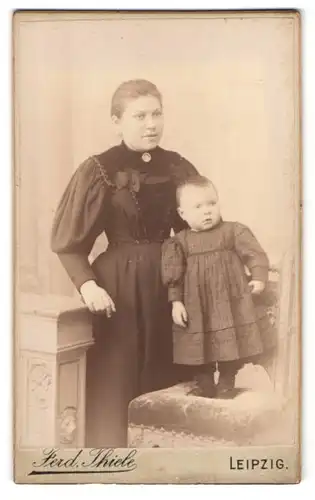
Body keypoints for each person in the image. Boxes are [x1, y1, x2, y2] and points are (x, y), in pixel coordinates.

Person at [51, 79, 199, 446]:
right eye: (140, 116)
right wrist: (88, 285)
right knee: (117, 387)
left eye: (157, 114)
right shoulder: (100, 169)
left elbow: (197, 232)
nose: (151, 124)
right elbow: (68, 244)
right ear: (117, 121)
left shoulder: (178, 166)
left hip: (169, 290)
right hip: (118, 292)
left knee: (167, 385)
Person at [161, 176, 276, 399]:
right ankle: (204, 383)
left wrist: (259, 277)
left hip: (229, 302)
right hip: (196, 304)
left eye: (211, 204)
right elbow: (174, 276)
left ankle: (226, 382)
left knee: (229, 342)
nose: (207, 211)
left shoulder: (233, 232)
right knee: (197, 343)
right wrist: (176, 302)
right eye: (198, 206)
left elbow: (255, 255)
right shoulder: (180, 243)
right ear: (182, 213)